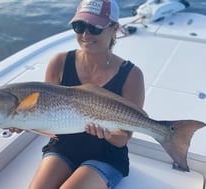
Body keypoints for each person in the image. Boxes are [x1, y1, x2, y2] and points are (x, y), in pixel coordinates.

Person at [27, 0, 145, 188]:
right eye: (79, 26)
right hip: (63, 147)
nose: (85, 34)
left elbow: (122, 139)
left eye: (95, 28)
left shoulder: (132, 75)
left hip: (106, 156)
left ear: (114, 28)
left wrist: (106, 134)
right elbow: (46, 116)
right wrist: (19, 120)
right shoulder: (59, 62)